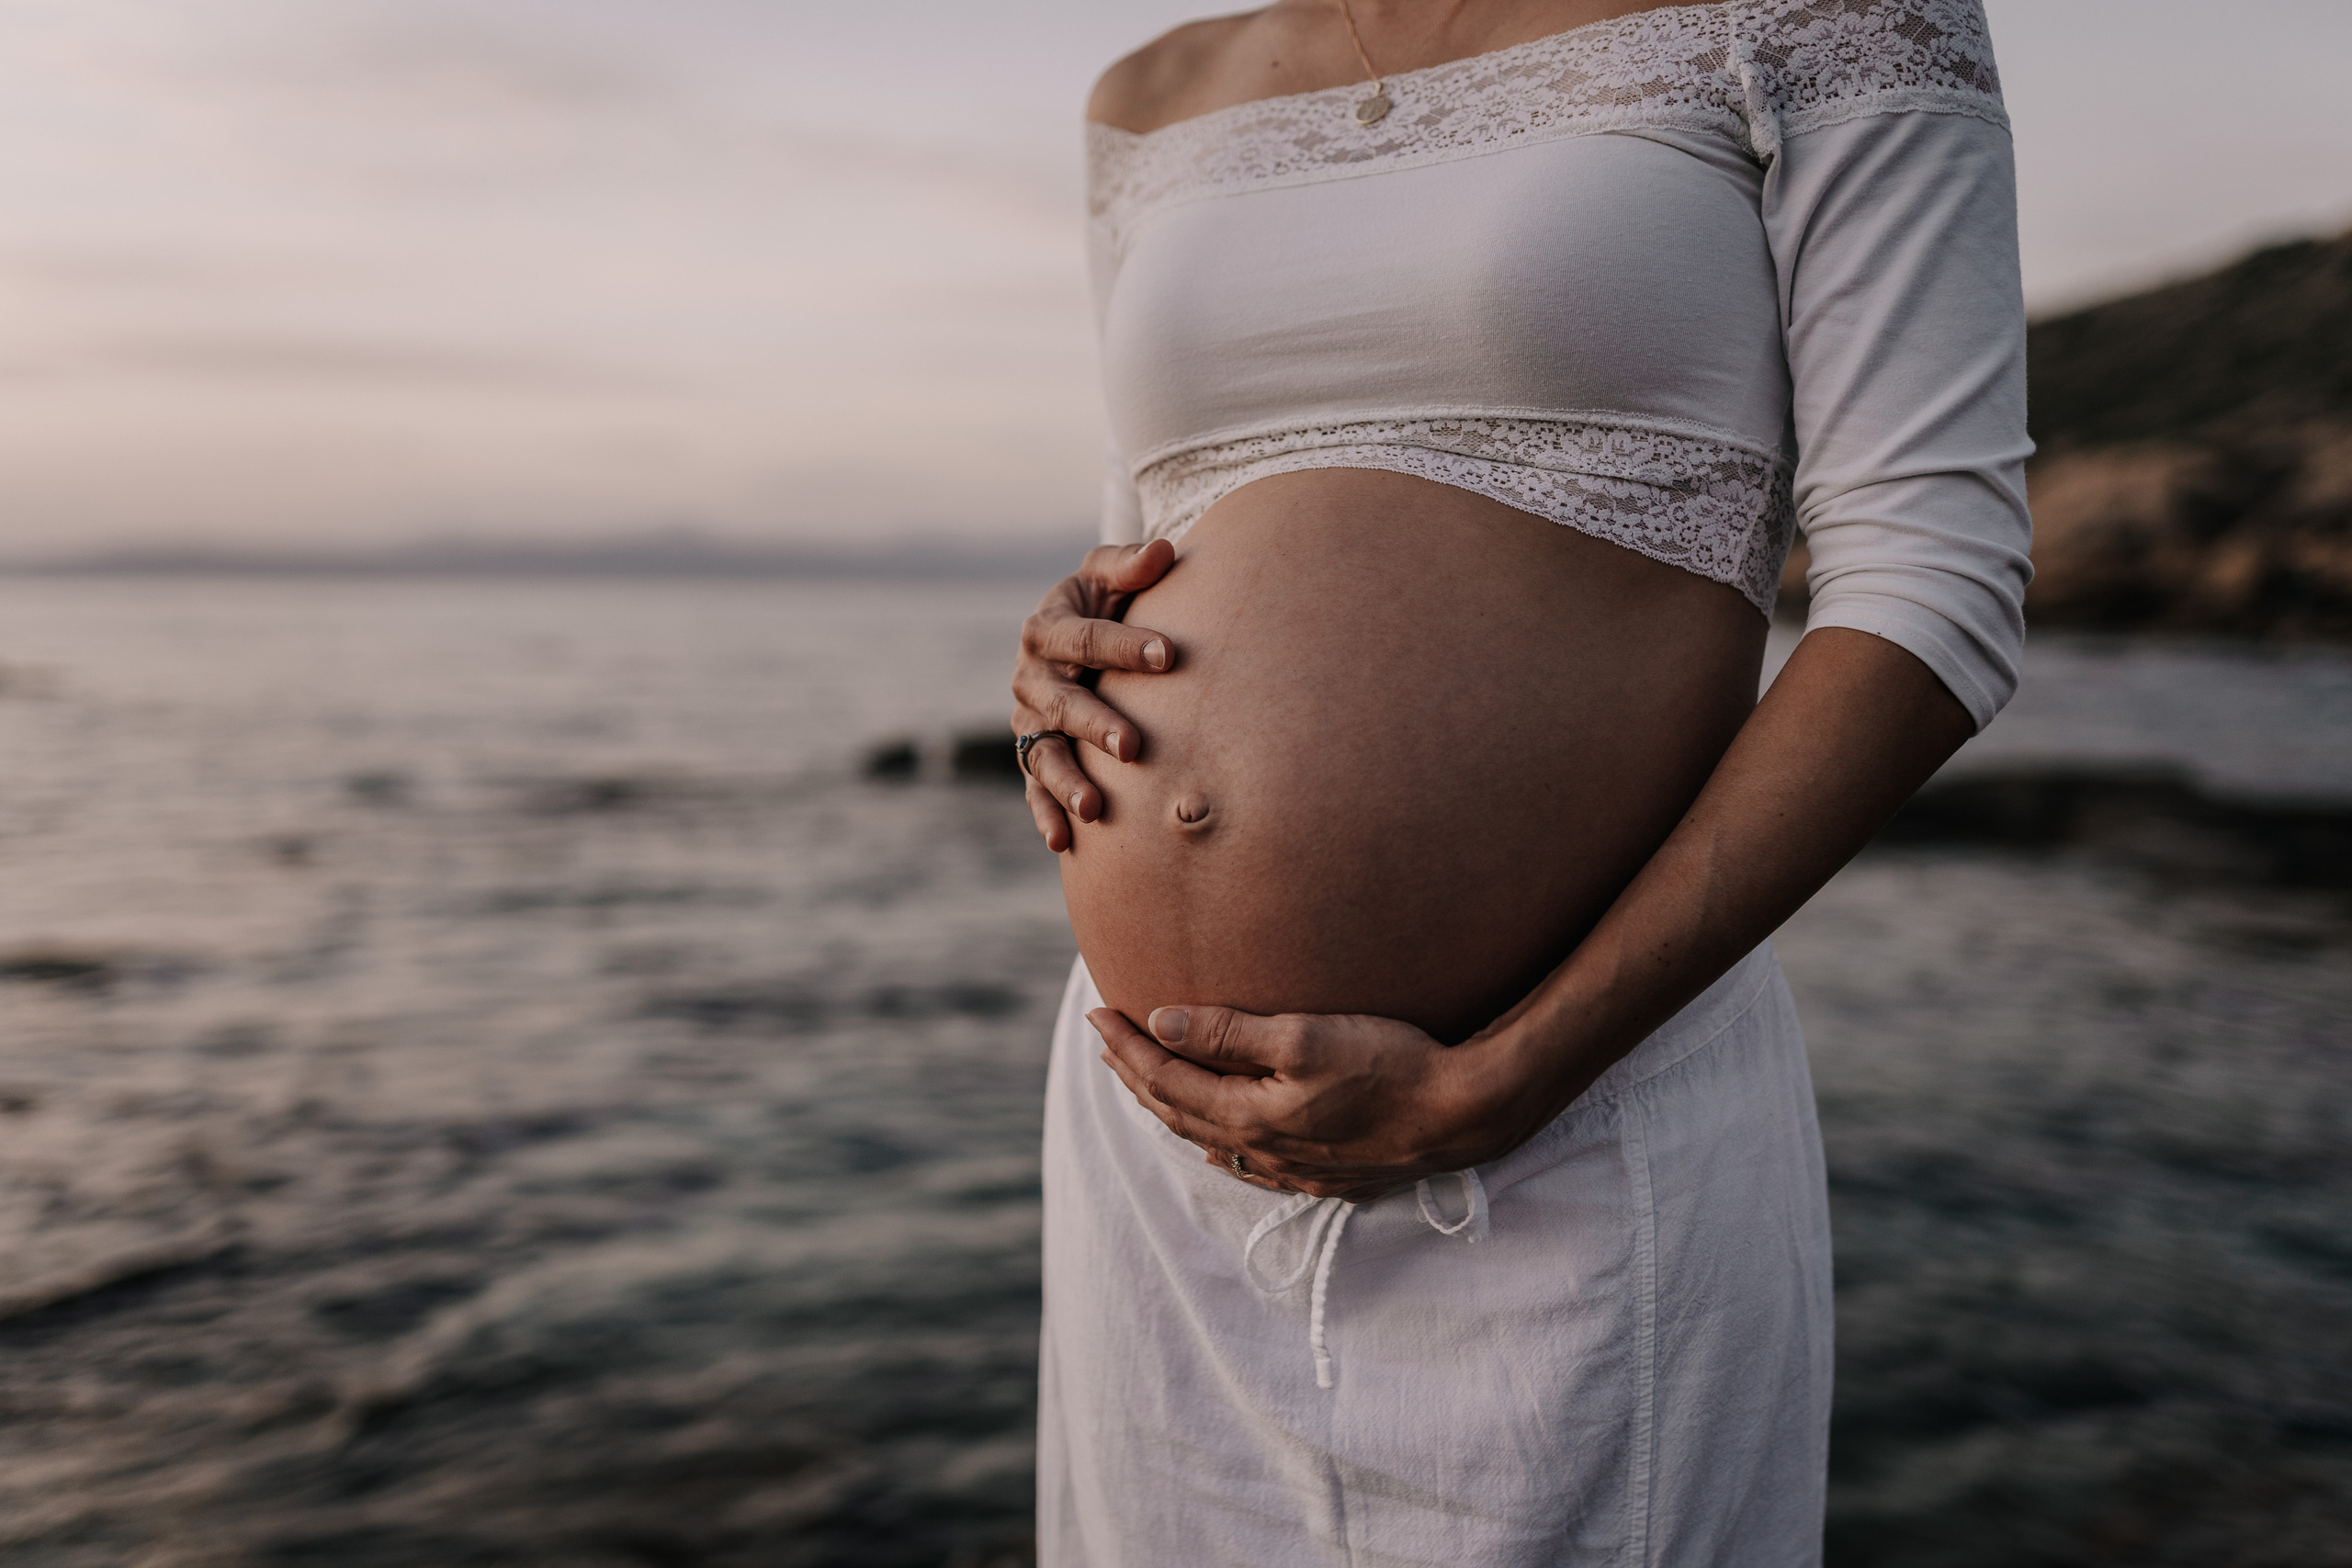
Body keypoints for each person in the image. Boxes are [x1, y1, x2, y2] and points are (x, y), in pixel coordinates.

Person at [1006, 0, 2031, 1561]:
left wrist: (1515, 1071)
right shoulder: (1147, 98)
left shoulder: (1822, 13)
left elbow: (1934, 581)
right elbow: (1150, 517)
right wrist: (1058, 656)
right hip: (1160, 1149)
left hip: (1572, 1118)